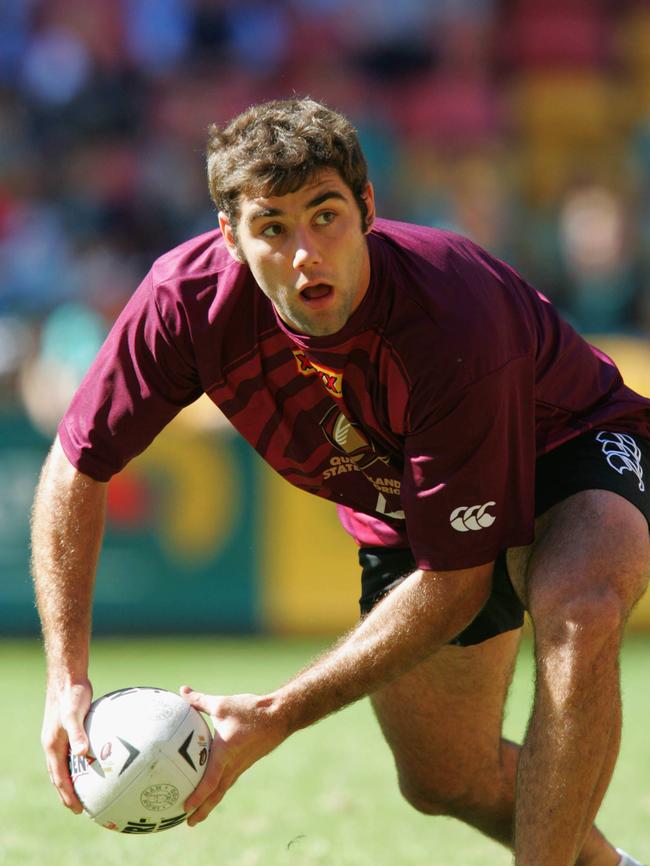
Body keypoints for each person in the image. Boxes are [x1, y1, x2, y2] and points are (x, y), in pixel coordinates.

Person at [31, 97, 650, 866]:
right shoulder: (182, 302)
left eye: (325, 216)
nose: (304, 254)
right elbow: (77, 465)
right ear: (230, 238)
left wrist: (279, 713)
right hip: (409, 513)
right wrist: (67, 678)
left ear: (366, 207)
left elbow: (458, 581)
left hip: (567, 441)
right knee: (443, 779)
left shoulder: (450, 313)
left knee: (580, 611)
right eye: (272, 228)